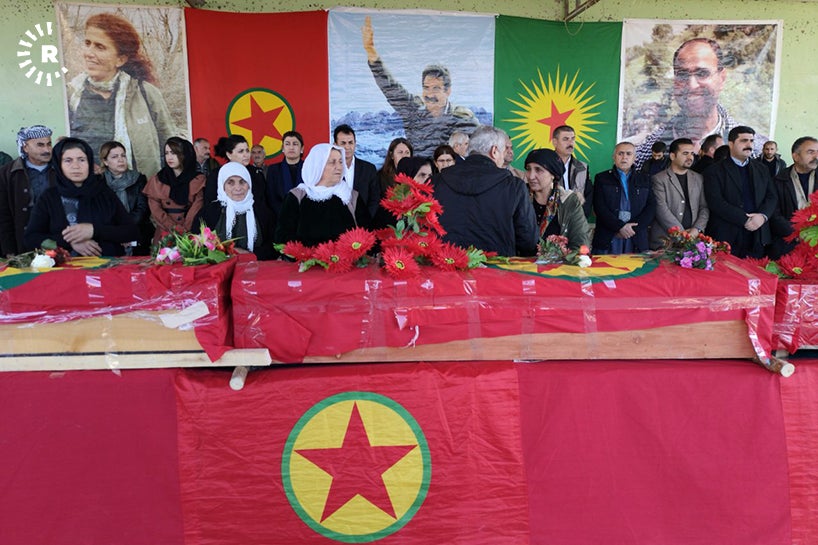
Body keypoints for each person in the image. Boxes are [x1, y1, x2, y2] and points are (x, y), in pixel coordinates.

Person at [67, 13, 179, 178]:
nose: (89, 53)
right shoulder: (71, 95)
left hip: (137, 188)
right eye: (87, 43)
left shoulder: (146, 94)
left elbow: (172, 147)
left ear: (120, 59)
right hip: (89, 188)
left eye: (100, 47)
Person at [634, 38, 765, 168]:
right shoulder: (646, 154)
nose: (692, 85)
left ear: (722, 78)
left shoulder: (756, 152)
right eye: (682, 74)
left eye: (702, 73)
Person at [362, 16, 479, 157]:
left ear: (448, 91)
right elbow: (390, 88)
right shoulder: (413, 111)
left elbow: (479, 155)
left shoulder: (464, 120)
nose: (429, 94)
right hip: (416, 171)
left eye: (436, 88)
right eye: (426, 87)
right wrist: (370, 50)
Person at [432, 126, 537, 256]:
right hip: (498, 267)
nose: (503, 158)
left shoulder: (436, 181)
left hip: (444, 265)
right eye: (504, 152)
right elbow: (528, 242)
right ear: (494, 151)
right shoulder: (514, 187)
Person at [24, 137, 138, 256]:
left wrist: (94, 230)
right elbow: (31, 239)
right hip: (64, 265)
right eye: (68, 160)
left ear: (89, 162)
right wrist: (69, 242)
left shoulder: (104, 193)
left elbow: (131, 232)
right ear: (59, 164)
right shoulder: (49, 197)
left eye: (82, 160)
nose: (76, 166)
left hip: (108, 265)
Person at [703, 126, 777, 258]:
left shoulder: (762, 169)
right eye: (744, 141)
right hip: (727, 235)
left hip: (757, 234)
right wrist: (745, 220)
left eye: (751, 141)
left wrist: (762, 216)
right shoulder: (714, 171)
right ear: (731, 144)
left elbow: (772, 197)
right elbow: (715, 202)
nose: (749, 145)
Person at [275, 144, 369, 247]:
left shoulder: (351, 196)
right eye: (332, 162)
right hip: (306, 256)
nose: (339, 167)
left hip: (344, 256)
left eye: (340, 162)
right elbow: (283, 235)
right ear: (318, 165)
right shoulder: (297, 196)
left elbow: (367, 233)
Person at [199, 161, 275, 260]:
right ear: (222, 186)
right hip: (219, 267)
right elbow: (197, 243)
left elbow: (274, 246)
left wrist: (250, 255)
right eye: (230, 183)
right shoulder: (209, 212)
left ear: (249, 184)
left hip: (255, 266)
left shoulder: (262, 212)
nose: (238, 188)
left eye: (242, 182)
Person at [0, 125, 56, 256]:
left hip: (56, 239)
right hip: (23, 242)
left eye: (49, 144)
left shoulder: (61, 169)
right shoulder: (7, 173)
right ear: (25, 147)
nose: (47, 150)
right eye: (40, 145)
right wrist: (9, 251)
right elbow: (3, 216)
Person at [592, 142, 656, 254]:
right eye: (620, 153)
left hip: (635, 234)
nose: (624, 157)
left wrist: (631, 229)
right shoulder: (602, 178)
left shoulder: (644, 179)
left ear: (634, 158)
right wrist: (620, 227)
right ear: (614, 157)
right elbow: (599, 207)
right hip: (609, 234)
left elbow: (651, 207)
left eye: (628, 154)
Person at [524, 148, 590, 251]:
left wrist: (564, 258)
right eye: (528, 169)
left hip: (559, 261)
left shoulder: (568, 201)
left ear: (553, 175)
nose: (531, 176)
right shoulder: (518, 196)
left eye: (538, 170)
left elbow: (580, 243)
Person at [649, 138, 709, 249]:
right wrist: (682, 234)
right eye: (685, 153)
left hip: (693, 240)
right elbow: (661, 209)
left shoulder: (698, 178)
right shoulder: (659, 179)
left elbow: (704, 208)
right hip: (666, 242)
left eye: (692, 153)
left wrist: (696, 230)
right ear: (672, 156)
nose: (690, 157)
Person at [143, 137, 206, 242]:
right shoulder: (158, 180)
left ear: (185, 154)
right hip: (165, 233)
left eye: (174, 153)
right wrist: (174, 228)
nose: (169, 157)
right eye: (167, 153)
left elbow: (196, 208)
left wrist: (184, 231)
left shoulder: (198, 180)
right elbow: (156, 210)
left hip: (190, 234)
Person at [99, 140, 152, 255]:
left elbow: (142, 210)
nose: (121, 160)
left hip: (137, 234)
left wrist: (125, 231)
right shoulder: (99, 182)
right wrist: (117, 233)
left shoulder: (138, 179)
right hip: (109, 237)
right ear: (105, 161)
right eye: (115, 157)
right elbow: (100, 213)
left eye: (123, 155)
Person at [768, 137, 818, 259]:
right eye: (810, 152)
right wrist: (797, 233)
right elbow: (774, 214)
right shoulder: (778, 181)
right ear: (796, 156)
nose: (816, 156)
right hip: (788, 244)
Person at [205, 135, 266, 208]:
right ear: (229, 155)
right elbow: (210, 202)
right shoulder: (217, 175)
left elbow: (263, 202)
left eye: (247, 150)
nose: (246, 155)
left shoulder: (256, 173)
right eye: (241, 151)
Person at [333, 124, 380, 218]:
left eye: (350, 142)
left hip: (364, 223)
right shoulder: (329, 169)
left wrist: (366, 220)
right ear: (335, 145)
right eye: (343, 143)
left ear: (355, 143)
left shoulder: (369, 169)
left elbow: (375, 200)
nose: (347, 147)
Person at [551, 125, 592, 217]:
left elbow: (588, 196)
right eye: (565, 139)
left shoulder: (583, 167)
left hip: (576, 218)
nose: (570, 143)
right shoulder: (544, 165)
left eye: (573, 139)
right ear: (555, 142)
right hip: (551, 218)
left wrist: (580, 217)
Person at [266, 131, 305, 217]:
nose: (291, 147)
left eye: (295, 144)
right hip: (281, 217)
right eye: (287, 144)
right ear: (283, 148)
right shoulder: (273, 170)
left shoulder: (309, 168)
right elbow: (271, 198)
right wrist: (285, 214)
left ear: (302, 148)